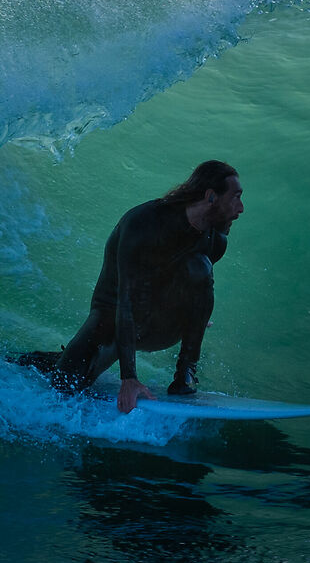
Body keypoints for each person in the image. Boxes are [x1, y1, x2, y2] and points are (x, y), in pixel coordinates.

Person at [19, 160, 243, 414]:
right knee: (64, 386)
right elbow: (125, 302)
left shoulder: (216, 240)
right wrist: (129, 379)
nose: (241, 208)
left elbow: (196, 284)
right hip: (112, 316)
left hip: (158, 321)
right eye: (235, 197)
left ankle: (186, 373)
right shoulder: (144, 224)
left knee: (200, 267)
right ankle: (49, 360)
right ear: (211, 196)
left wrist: (196, 315)